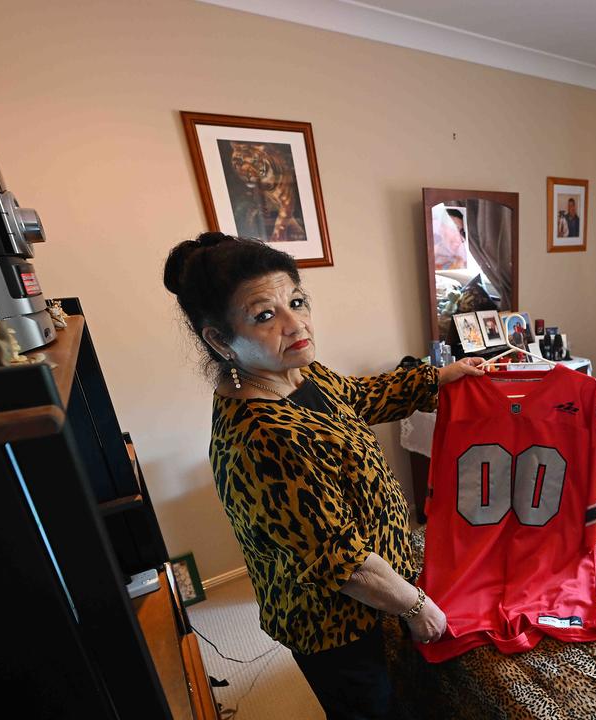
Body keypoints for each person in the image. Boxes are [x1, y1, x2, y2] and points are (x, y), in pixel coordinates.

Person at [163, 232, 485, 719]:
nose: (296, 325)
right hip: (334, 624)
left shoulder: (296, 373)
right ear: (219, 339)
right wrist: (417, 608)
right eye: (265, 315)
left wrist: (436, 378)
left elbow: (357, 395)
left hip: (379, 591)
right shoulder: (263, 436)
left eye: (297, 301)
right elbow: (345, 563)